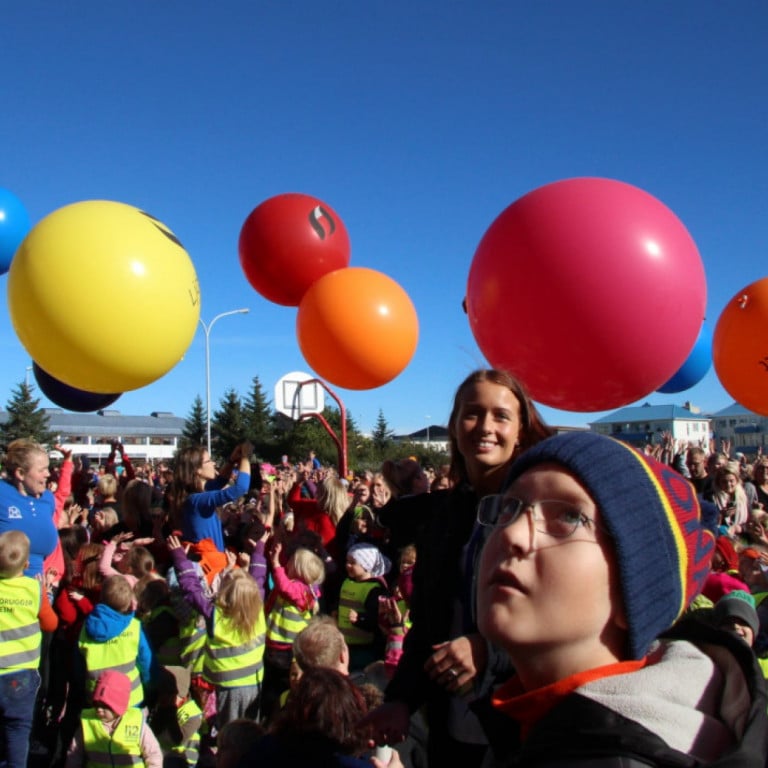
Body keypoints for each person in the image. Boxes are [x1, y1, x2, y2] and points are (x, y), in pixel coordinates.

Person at [472, 431, 768, 766]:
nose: (511, 533)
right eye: (509, 508)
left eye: (569, 516)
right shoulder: (535, 725)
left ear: (635, 592)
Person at [363, 368, 553, 766]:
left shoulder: (543, 510)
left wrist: (489, 650)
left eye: (501, 416)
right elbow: (430, 622)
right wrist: (401, 699)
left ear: (520, 430)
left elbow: (564, 616)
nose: (485, 426)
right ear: (453, 426)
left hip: (525, 727)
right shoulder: (446, 515)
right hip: (449, 728)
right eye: (472, 413)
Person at [0, 531, 59, 768]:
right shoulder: (34, 589)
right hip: (21, 677)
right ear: (26, 565)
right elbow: (50, 624)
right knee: (18, 729)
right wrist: (46, 593)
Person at [262, 541, 325, 723]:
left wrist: (275, 563)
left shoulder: (301, 590)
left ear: (298, 570)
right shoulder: (300, 588)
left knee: (277, 684)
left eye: (290, 562)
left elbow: (284, 587)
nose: (286, 564)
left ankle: (277, 714)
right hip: (277, 645)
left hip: (285, 647)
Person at [64, 669, 162, 767]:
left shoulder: (136, 722)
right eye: (96, 704)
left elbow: (153, 753)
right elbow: (74, 754)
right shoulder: (87, 723)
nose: (99, 710)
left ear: (118, 707)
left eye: (105, 706)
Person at [167, 441, 252, 554]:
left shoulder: (194, 496)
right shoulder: (196, 500)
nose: (214, 463)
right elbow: (240, 488)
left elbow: (220, 481)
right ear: (197, 470)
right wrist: (245, 457)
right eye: (209, 461)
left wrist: (232, 460)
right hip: (210, 562)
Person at [0, 439, 58, 578]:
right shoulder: (2, 493)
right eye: (42, 470)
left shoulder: (48, 499)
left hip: (35, 587)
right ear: (20, 473)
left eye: (47, 468)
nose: (48, 474)